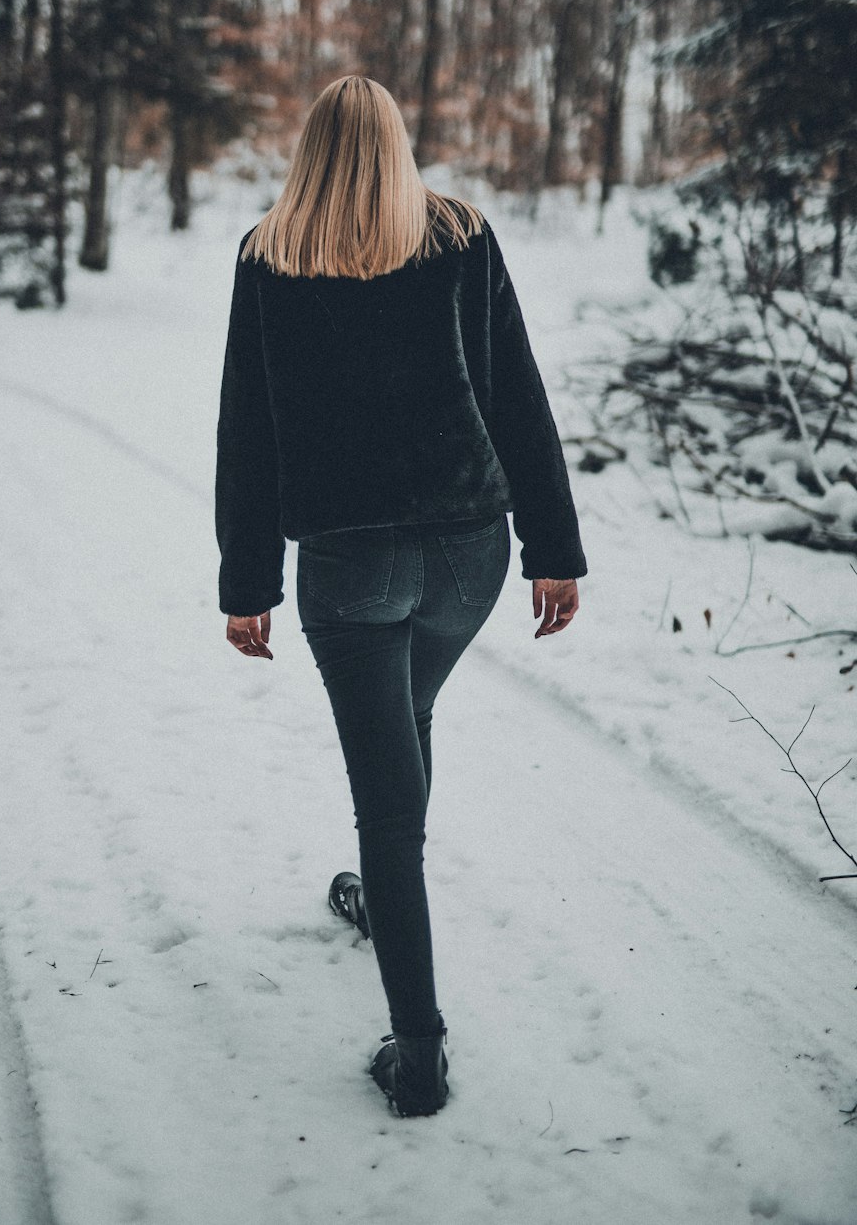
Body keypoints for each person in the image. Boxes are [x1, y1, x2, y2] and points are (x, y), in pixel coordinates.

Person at [215, 75, 586, 1119]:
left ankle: (416, 1050)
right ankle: (385, 902)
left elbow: (247, 430)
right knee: (406, 721)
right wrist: (551, 548)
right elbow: (515, 391)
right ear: (395, 144)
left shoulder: (271, 253)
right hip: (469, 552)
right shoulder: (459, 236)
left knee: (386, 803)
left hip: (348, 562)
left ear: (311, 147)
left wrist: (246, 585)